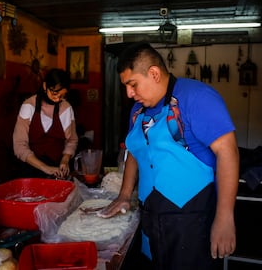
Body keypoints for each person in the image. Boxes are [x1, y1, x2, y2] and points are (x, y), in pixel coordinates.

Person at [98, 42, 239, 270]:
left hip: (190, 220)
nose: (129, 94)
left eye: (133, 85)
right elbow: (136, 152)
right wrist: (124, 195)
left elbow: (228, 153)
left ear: (153, 73)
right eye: (126, 86)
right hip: (150, 215)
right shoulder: (137, 112)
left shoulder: (197, 97)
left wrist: (225, 218)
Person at [13, 68, 78, 179]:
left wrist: (65, 160)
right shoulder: (29, 106)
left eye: (62, 96)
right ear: (45, 86)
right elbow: (19, 146)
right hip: (31, 170)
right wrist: (45, 168)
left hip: (58, 170)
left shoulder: (66, 108)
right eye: (54, 93)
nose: (57, 99)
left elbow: (71, 140)